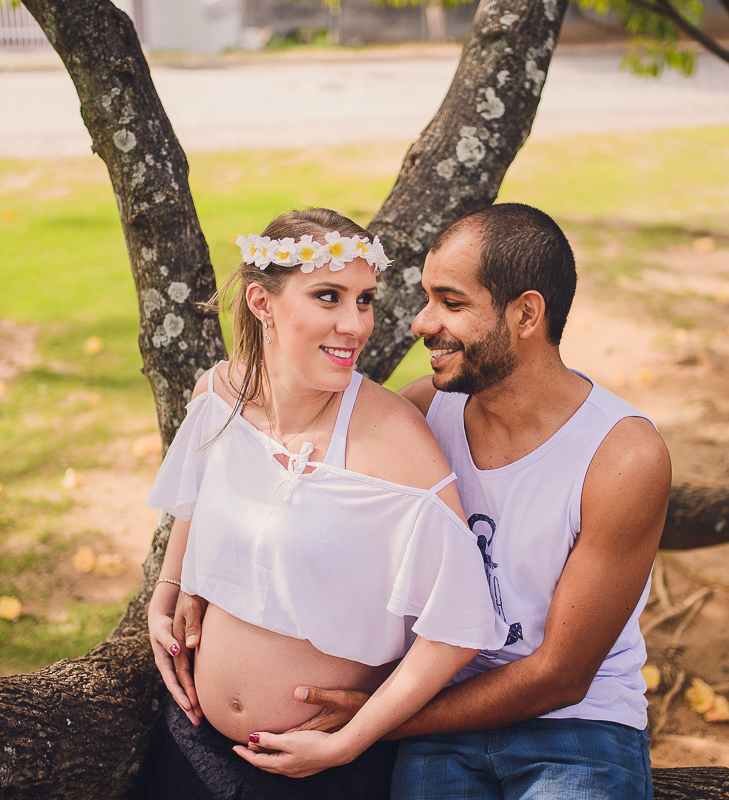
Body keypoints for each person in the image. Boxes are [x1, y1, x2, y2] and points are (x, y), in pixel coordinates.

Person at [262, 203, 671, 798]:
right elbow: (296, 473)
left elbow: (560, 676)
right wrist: (189, 585)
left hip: (574, 728)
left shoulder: (621, 457)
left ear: (527, 313)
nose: (422, 323)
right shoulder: (426, 411)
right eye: (428, 299)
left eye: (451, 304)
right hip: (438, 712)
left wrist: (373, 722)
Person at [139, 208, 509, 800]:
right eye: (329, 297)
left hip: (320, 773)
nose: (354, 325)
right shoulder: (220, 394)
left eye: (364, 300)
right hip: (191, 738)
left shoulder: (396, 443)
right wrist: (167, 589)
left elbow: (458, 626)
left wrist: (352, 740)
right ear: (262, 304)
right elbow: (198, 491)